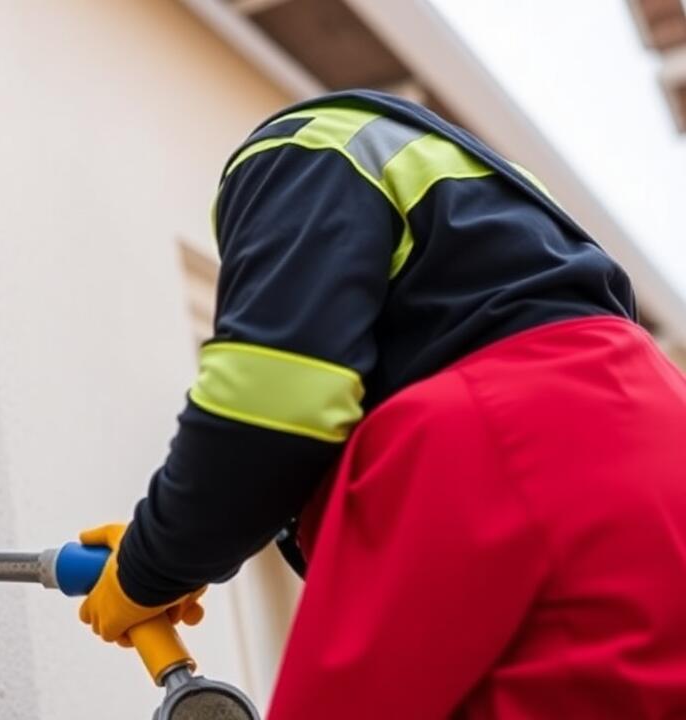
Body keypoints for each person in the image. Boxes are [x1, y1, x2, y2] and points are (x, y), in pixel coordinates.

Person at [77, 90, 686, 718]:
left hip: (509, 435)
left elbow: (272, 402)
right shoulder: (486, 194)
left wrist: (153, 564)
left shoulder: (298, 150)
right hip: (652, 443)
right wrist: (187, 538)